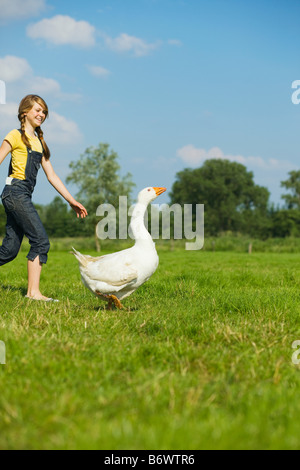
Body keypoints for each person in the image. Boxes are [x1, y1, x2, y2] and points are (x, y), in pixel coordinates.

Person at [0, 94, 88, 301]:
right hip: (15, 192)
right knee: (40, 241)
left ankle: (33, 292)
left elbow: (52, 175)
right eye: (38, 110)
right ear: (25, 113)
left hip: (23, 195)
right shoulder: (14, 135)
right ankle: (33, 293)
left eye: (44, 111)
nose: (42, 114)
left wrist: (71, 200)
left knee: (10, 250)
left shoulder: (39, 141)